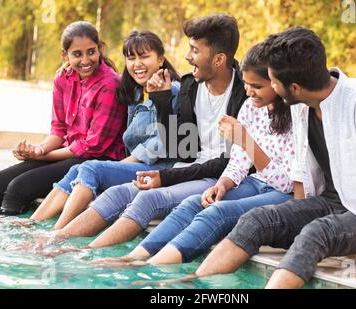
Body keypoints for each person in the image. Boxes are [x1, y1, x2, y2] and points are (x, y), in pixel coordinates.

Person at [172, 27, 356, 288]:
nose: (272, 89)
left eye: (274, 82)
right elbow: (302, 170)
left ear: (294, 87)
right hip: (326, 202)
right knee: (257, 219)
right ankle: (192, 285)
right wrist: (292, 214)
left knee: (315, 233)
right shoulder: (302, 105)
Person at [37, 13, 248, 253]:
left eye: (194, 50)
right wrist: (162, 100)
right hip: (185, 167)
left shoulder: (245, 94)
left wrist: (166, 177)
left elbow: (234, 161)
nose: (187, 57)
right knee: (117, 192)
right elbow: (182, 148)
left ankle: (84, 253)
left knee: (145, 196)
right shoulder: (192, 86)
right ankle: (59, 238)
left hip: (214, 176)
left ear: (219, 59)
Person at [91, 42, 296, 267]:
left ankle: (153, 266)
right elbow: (236, 162)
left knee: (218, 211)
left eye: (256, 86)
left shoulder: (295, 115)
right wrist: (223, 185)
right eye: (246, 85)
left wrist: (245, 140)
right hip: (251, 181)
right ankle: (135, 256)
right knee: (193, 203)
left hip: (281, 192)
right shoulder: (248, 106)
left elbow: (287, 184)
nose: (248, 91)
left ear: (277, 83)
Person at [15, 30, 181, 230]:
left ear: (160, 59)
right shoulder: (136, 92)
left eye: (144, 56)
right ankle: (32, 223)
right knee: (77, 169)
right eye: (131, 58)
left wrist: (115, 167)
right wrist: (69, 65)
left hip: (160, 170)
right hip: (136, 166)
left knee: (92, 168)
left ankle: (56, 231)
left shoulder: (173, 92)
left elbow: (160, 145)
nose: (137, 64)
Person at [0, 21, 126, 216]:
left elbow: (91, 148)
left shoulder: (110, 84)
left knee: (18, 189)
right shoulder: (63, 78)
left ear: (100, 49)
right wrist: (38, 149)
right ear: (65, 55)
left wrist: (41, 156)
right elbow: (58, 130)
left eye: (91, 52)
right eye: (77, 54)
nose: (86, 60)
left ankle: (13, 242)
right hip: (69, 152)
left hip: (96, 159)